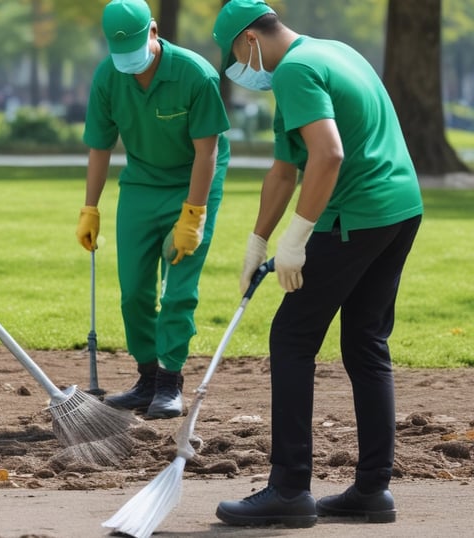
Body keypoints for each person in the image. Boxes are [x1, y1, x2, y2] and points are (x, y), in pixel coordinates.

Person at [210, 0, 423, 528]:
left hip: (357, 214)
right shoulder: (332, 52)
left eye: (233, 55)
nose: (238, 68)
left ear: (248, 42)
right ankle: (372, 492)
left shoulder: (297, 72)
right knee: (365, 342)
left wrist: (298, 238)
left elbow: (328, 156)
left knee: (292, 338)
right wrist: (259, 242)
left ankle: (288, 489)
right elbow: (286, 170)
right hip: (400, 209)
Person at [76, 0, 231, 419]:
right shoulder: (109, 75)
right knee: (133, 291)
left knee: (177, 288)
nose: (130, 64)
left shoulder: (195, 74)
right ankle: (146, 378)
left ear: (154, 32)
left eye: (135, 52)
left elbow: (207, 152)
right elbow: (100, 146)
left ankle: (169, 382)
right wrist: (90, 207)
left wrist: (194, 214)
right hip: (141, 183)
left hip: (193, 181)